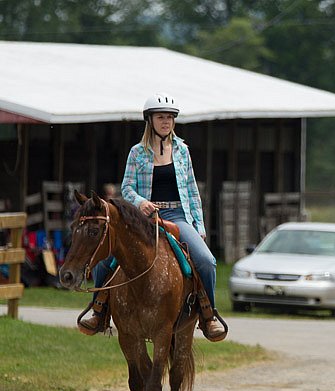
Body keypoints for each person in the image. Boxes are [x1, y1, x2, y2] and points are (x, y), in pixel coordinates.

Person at [78, 92, 226, 342]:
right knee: (106, 260)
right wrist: (140, 203)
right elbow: (126, 188)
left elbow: (192, 191)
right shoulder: (137, 153)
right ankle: (99, 310)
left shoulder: (182, 151)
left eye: (169, 117)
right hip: (143, 218)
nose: (166, 121)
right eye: (161, 117)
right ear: (150, 120)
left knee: (206, 261)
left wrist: (198, 226)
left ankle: (208, 315)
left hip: (177, 215)